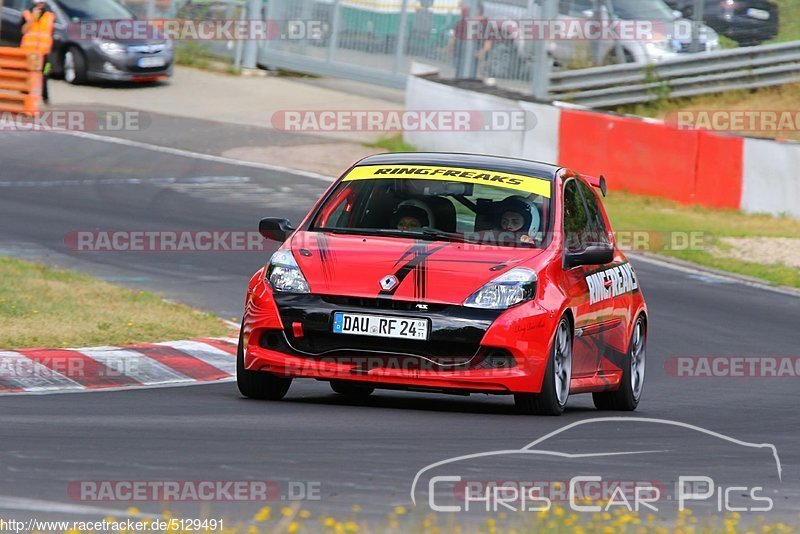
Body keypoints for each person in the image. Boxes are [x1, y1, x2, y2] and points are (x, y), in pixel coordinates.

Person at [21, 0, 55, 105]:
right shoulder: (27, 14)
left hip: (45, 52)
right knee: (28, 75)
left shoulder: (50, 16)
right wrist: (32, 19)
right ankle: (25, 96)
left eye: (42, 3)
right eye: (39, 3)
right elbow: (23, 31)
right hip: (30, 52)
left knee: (46, 73)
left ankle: (45, 97)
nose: (41, 5)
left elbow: (50, 32)